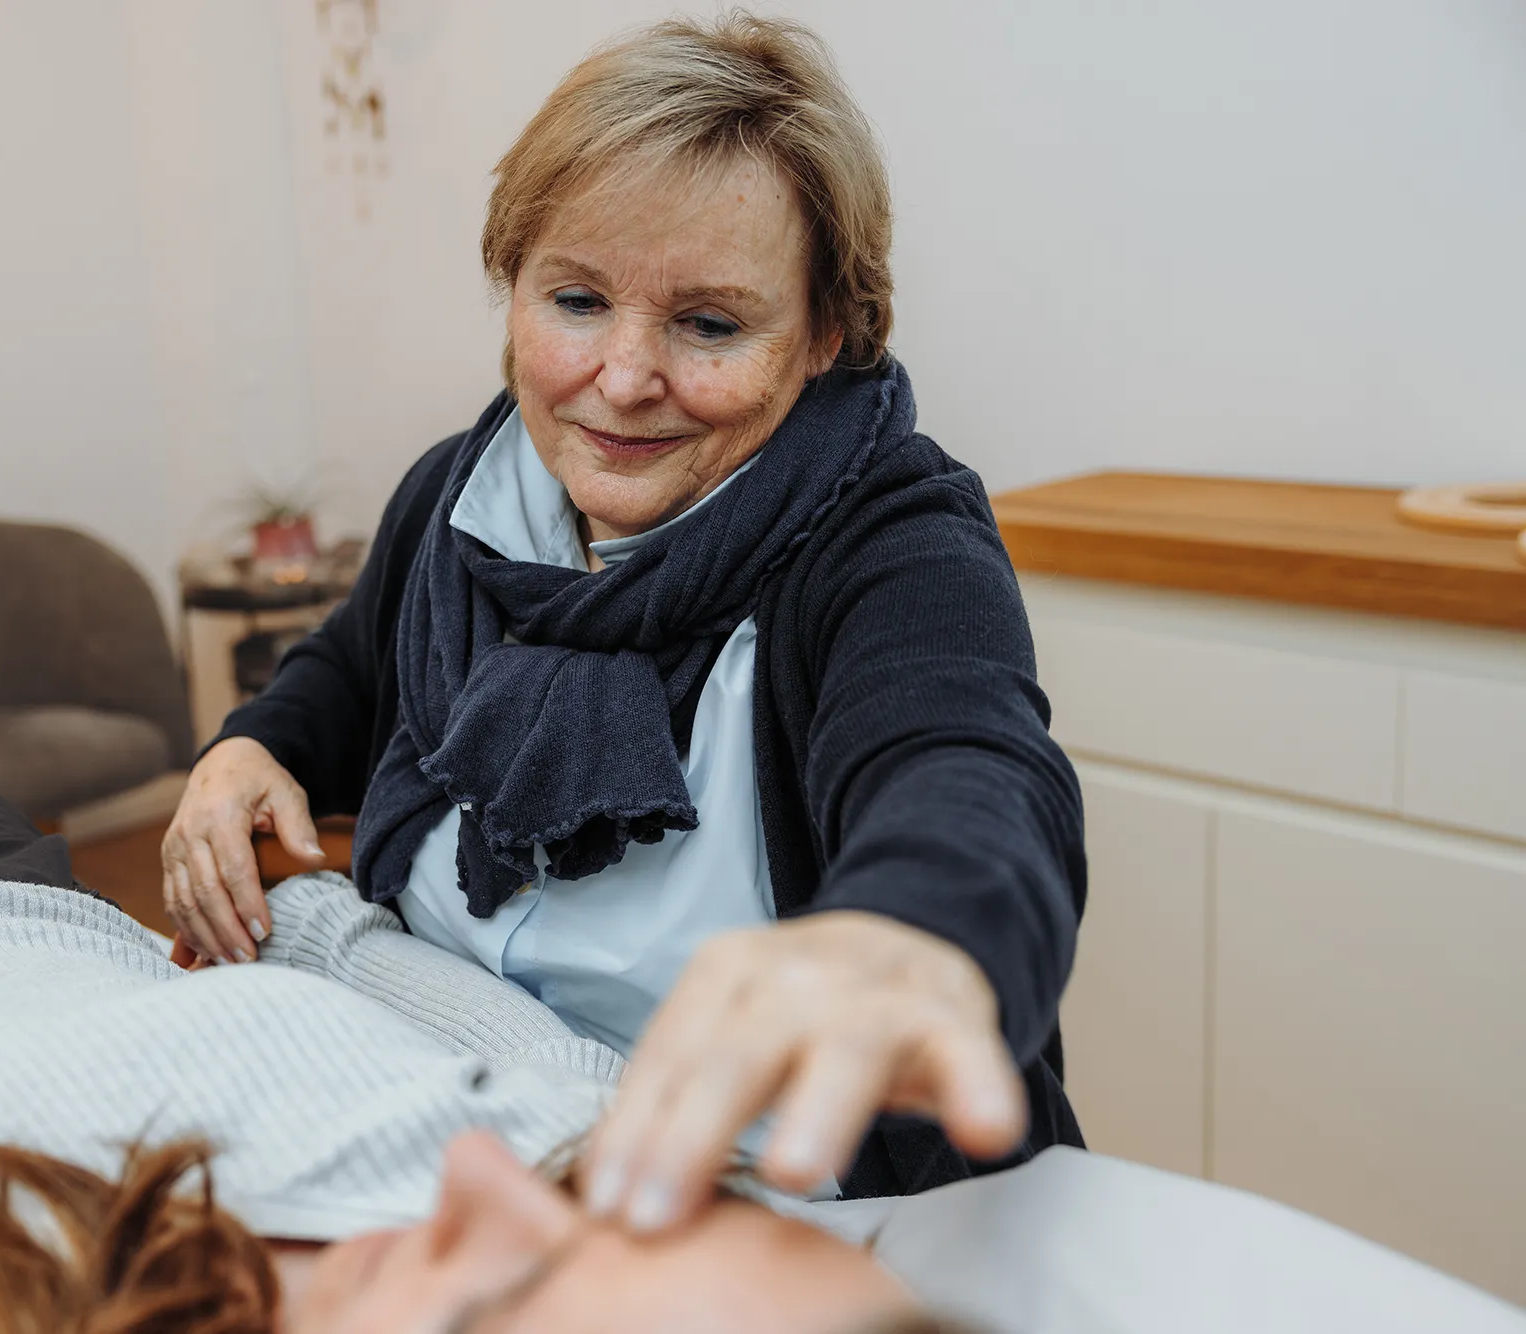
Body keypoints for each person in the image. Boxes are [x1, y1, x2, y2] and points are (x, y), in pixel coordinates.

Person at [161, 11, 1086, 1225]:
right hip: (463, 1138)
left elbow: (965, 763)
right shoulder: (458, 494)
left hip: (784, 1209)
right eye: (577, 299)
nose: (624, 376)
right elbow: (351, 666)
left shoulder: (892, 540)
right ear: (513, 288)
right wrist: (253, 745)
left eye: (707, 323)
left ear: (826, 333)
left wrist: (907, 934)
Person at [0, 575, 937, 1333]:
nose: (488, 1178)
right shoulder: (572, 1147)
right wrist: (286, 912)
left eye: (500, 1306)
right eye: (666, 1217)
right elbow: (436, 996)